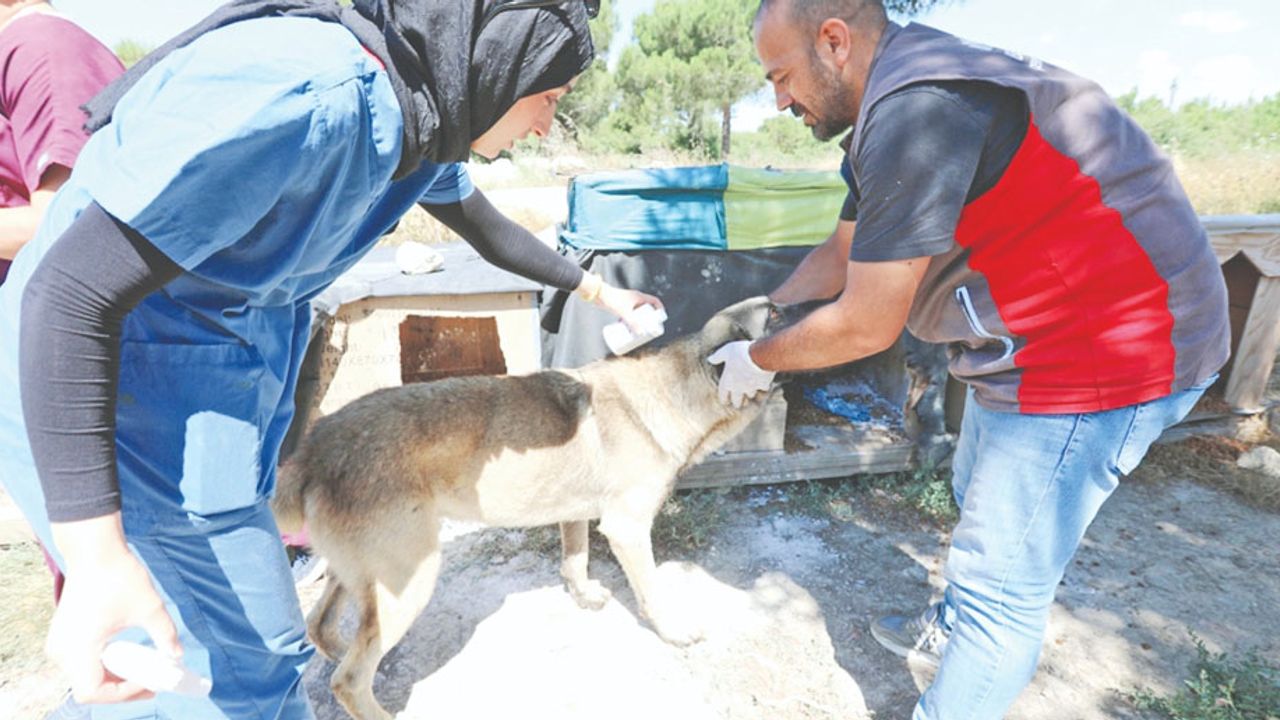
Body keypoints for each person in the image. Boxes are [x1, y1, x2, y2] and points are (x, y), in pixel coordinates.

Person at [0, 1, 660, 718]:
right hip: (110, 388)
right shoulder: (308, 99)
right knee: (236, 665)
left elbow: (487, 228)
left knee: (162, 660)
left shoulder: (421, 119)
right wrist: (96, 557)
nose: (544, 125)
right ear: (493, 60)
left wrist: (600, 291)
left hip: (209, 383)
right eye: (549, 97)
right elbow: (67, 295)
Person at [711, 1, 1230, 718]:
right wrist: (759, 316)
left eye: (781, 75)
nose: (777, 99)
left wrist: (760, 358)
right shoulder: (888, 103)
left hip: (1108, 351)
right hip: (1032, 338)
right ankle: (950, 629)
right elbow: (840, 255)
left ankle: (968, 645)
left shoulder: (919, 109)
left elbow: (866, 323)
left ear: (834, 41)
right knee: (973, 490)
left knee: (1002, 590)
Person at [0, 0, 123, 614]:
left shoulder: (40, 45)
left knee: (112, 556)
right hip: (39, 332)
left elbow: (66, 219)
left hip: (59, 337)